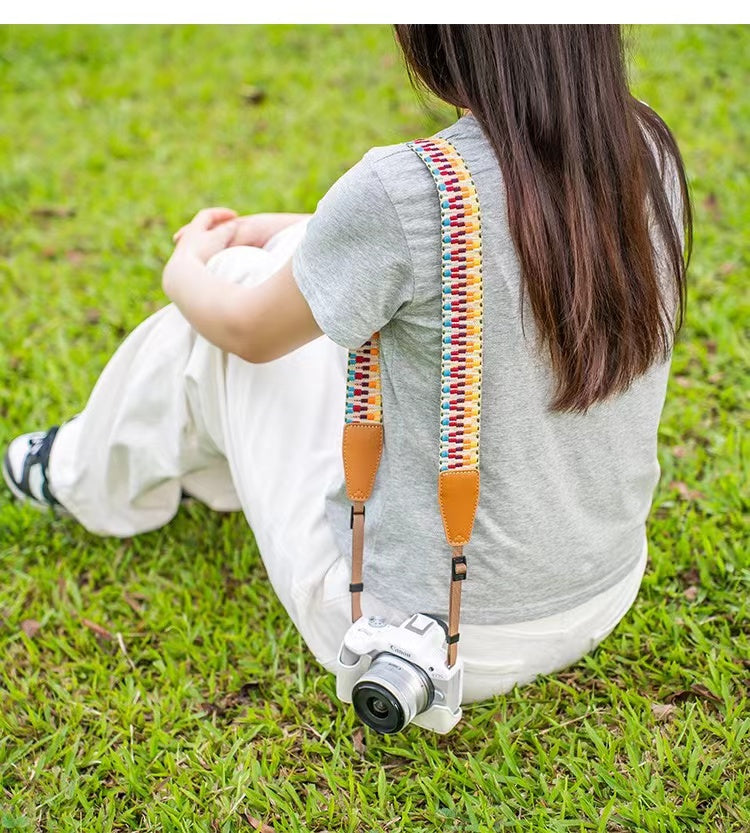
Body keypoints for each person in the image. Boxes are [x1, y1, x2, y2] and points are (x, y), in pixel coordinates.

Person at [3, 25, 691, 705]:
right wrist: (276, 228)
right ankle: (180, 466)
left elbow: (244, 329)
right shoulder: (643, 146)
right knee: (273, 265)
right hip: (603, 591)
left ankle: (74, 474)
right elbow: (421, 245)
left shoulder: (409, 189)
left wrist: (184, 264)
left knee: (233, 287)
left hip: (433, 639)